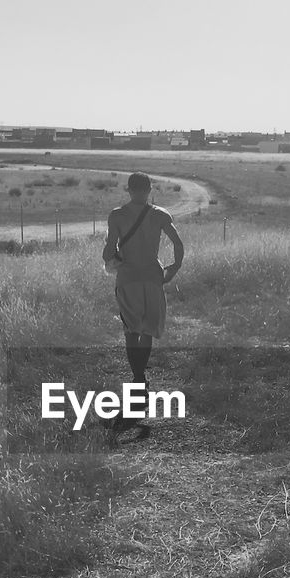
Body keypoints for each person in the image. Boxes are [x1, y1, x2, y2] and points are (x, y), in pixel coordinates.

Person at [102, 172, 184, 409]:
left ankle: (138, 379)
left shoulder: (117, 215)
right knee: (147, 331)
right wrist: (173, 268)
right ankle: (141, 382)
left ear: (128, 190)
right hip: (152, 277)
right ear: (149, 190)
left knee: (130, 331)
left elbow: (108, 253)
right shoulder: (160, 215)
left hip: (128, 279)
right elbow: (178, 243)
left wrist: (112, 254)